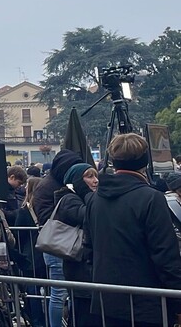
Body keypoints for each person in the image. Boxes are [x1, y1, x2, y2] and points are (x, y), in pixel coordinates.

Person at [86, 134, 181, 326]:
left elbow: (88, 248)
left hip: (106, 301)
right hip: (146, 302)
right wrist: (177, 302)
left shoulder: (95, 199)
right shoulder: (151, 198)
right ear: (144, 161)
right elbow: (165, 255)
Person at [32, 149, 83, 327]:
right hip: (57, 246)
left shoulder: (56, 184)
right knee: (58, 293)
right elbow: (46, 216)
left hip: (64, 244)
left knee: (62, 293)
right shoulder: (49, 187)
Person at [51, 163, 99, 326]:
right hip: (78, 266)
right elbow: (88, 216)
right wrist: (88, 194)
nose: (95, 181)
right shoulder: (69, 199)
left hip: (86, 267)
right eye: (89, 176)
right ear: (78, 180)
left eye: (95, 176)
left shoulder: (85, 197)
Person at [8, 176, 46, 327]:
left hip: (30, 255)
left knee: (32, 291)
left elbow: (18, 236)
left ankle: (37, 321)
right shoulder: (46, 208)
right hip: (46, 253)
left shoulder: (23, 212)